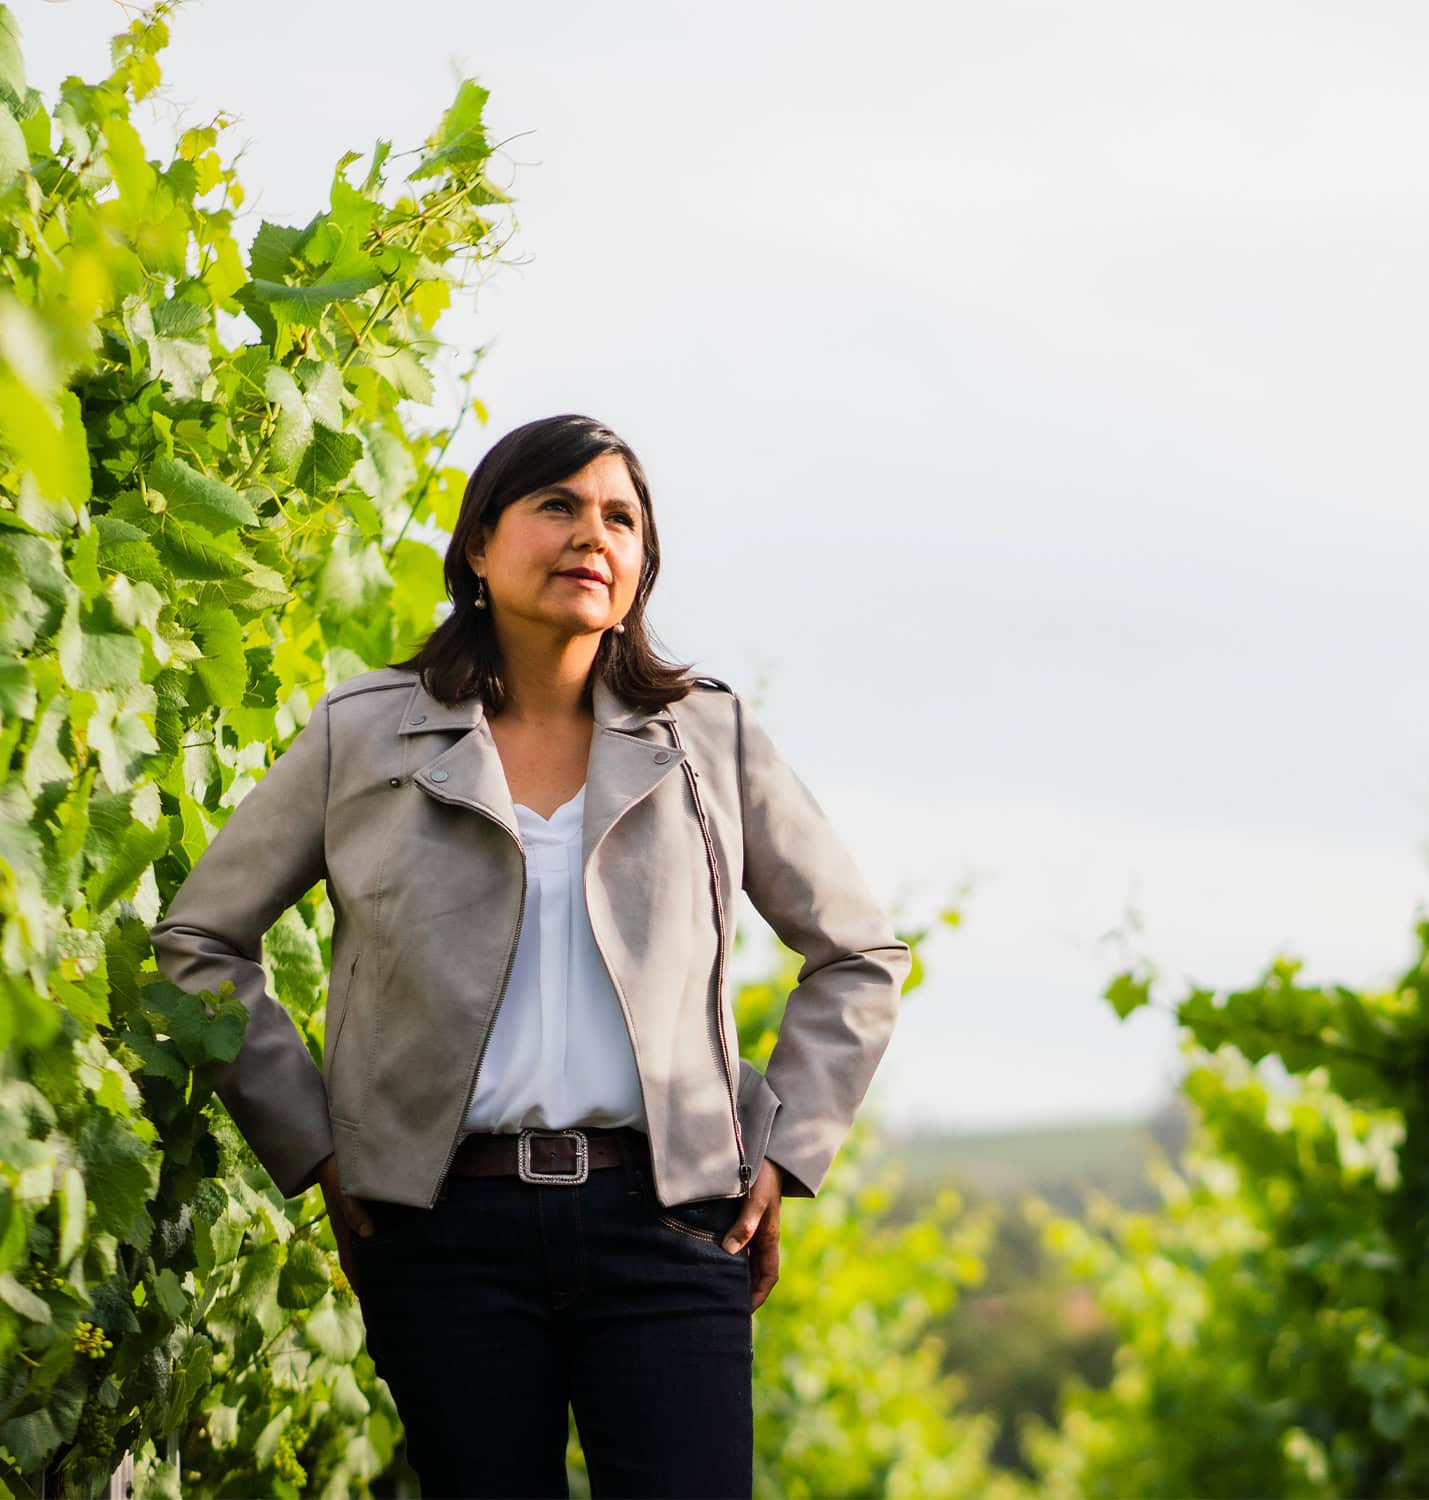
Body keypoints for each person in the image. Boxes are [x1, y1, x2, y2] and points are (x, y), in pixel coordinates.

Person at [147, 413, 912, 1499]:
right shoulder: (361, 735)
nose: (589, 535)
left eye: (619, 518)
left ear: (641, 564)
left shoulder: (710, 739)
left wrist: (782, 1150)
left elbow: (859, 955)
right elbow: (199, 942)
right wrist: (318, 1148)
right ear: (477, 543)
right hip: (443, 1236)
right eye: (555, 505)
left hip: (670, 1226)